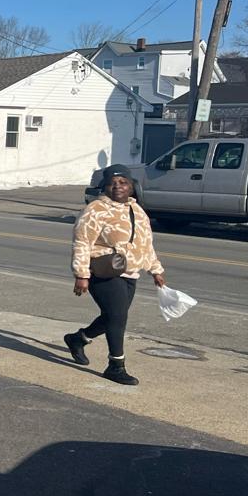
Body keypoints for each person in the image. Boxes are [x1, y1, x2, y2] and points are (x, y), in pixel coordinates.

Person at [65, 164, 165, 385]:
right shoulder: (95, 209)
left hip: (130, 272)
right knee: (118, 317)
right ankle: (116, 366)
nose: (118, 186)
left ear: (131, 186)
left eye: (123, 182)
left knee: (113, 316)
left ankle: (78, 339)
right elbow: (82, 242)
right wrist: (82, 274)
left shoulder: (137, 211)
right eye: (112, 183)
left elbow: (145, 244)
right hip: (103, 270)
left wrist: (156, 270)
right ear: (105, 187)